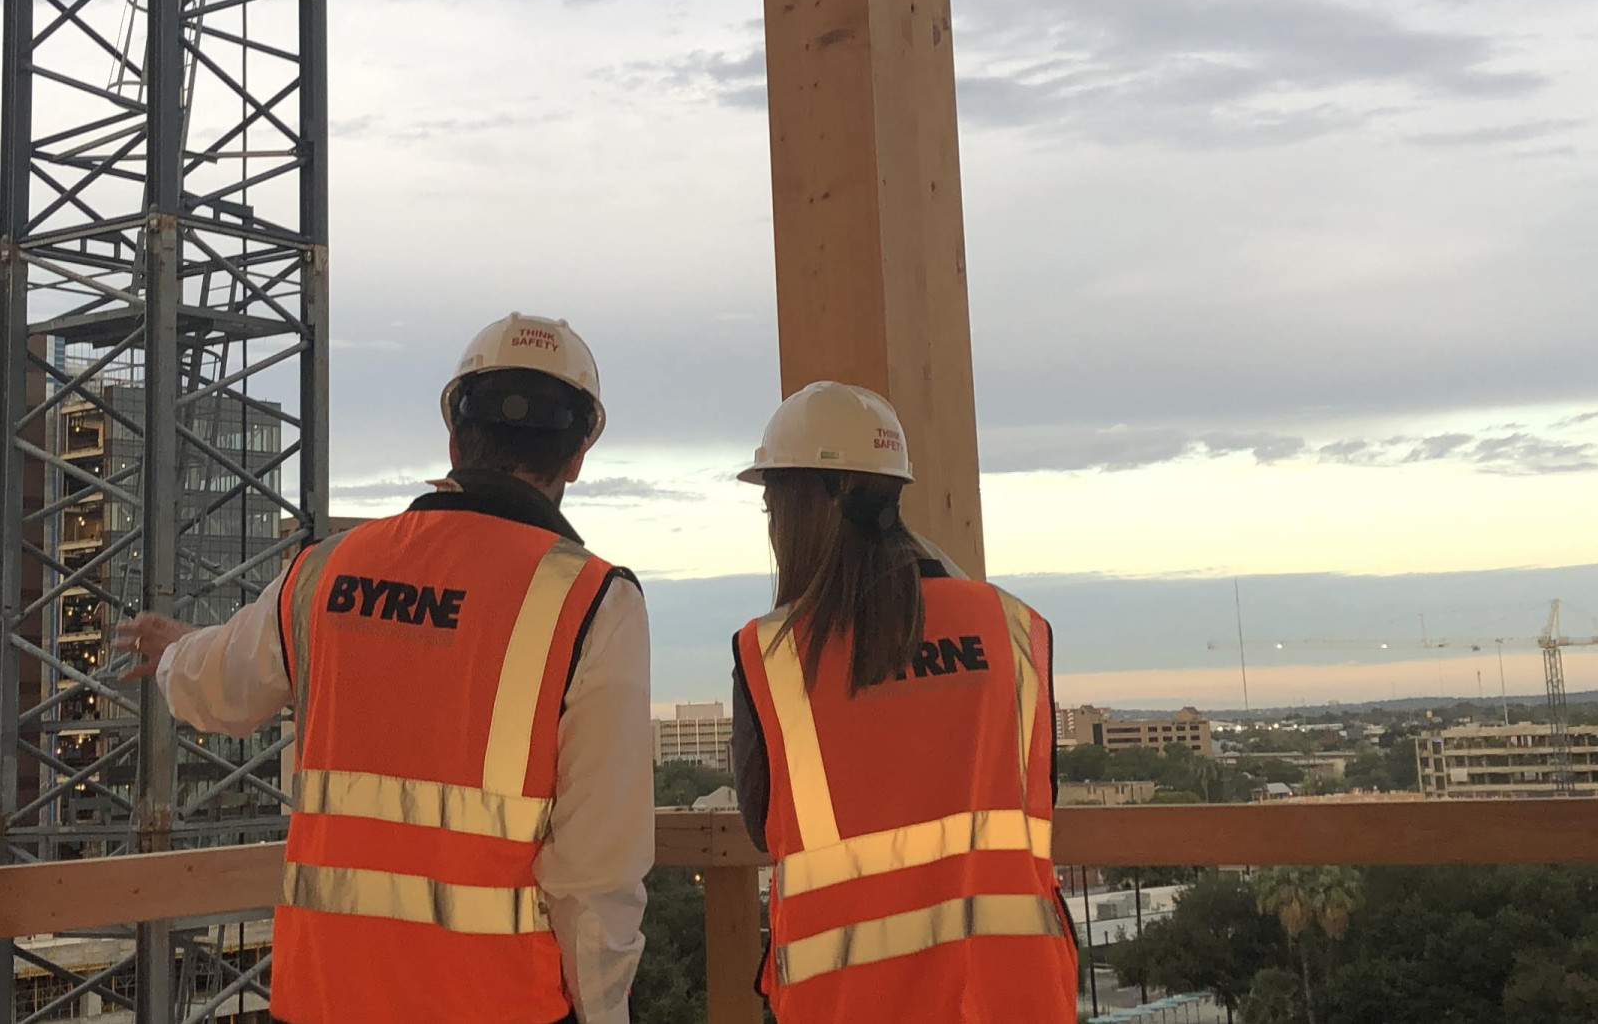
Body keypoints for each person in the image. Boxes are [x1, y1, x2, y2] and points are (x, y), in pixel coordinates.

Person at [111, 313, 651, 1024]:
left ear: (455, 438)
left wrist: (175, 650)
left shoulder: (329, 568)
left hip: (323, 999)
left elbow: (221, 687)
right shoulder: (593, 603)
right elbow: (597, 871)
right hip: (495, 1005)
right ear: (578, 455)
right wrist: (604, 1010)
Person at [724, 381, 1075, 1023]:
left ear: (813, 500)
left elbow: (763, 823)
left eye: (773, 507)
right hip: (1013, 995)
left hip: (849, 1004)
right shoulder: (1013, 629)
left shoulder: (774, 656)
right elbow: (1034, 793)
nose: (773, 527)